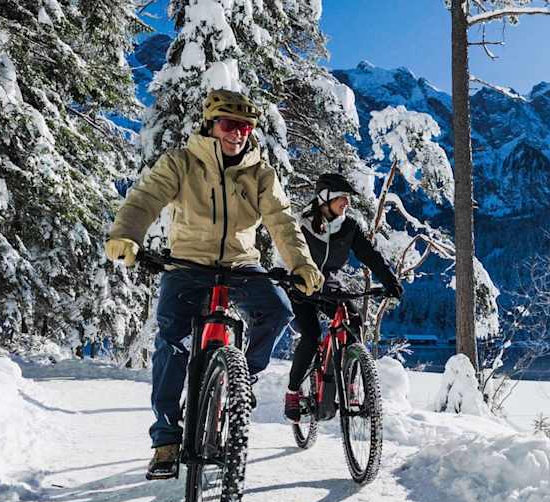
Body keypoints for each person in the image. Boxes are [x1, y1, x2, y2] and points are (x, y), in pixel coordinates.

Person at [103, 89, 324, 480]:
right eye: (228, 124)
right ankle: (166, 440)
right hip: (188, 263)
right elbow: (144, 199)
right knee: (171, 342)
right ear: (211, 125)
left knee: (277, 310)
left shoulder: (261, 174)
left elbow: (282, 222)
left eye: (244, 126)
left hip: (242, 264)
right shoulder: (181, 163)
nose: (236, 133)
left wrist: (301, 264)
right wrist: (127, 235)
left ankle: (240, 379)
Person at [283, 173, 404, 422]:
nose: (346, 203)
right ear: (324, 198)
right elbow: (285, 250)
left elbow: (369, 255)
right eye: (341, 197)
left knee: (354, 321)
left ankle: (349, 382)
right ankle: (293, 391)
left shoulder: (348, 227)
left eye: (347, 198)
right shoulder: (302, 224)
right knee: (311, 335)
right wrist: (285, 274)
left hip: (329, 286)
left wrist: (389, 279)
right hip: (300, 286)